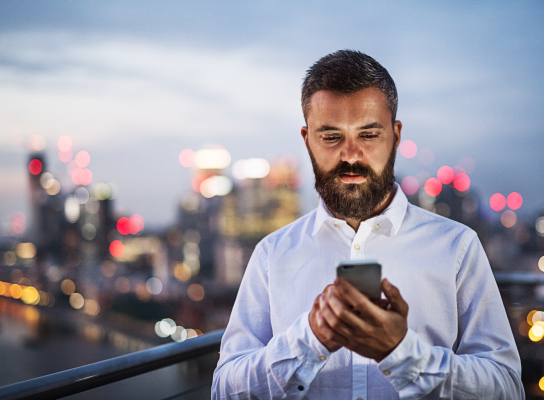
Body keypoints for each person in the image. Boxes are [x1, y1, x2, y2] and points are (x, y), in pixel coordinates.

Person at [212, 50, 525, 399]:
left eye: (369, 135)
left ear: (395, 135)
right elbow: (224, 390)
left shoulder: (457, 248)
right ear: (307, 140)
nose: (350, 154)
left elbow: (508, 389)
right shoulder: (272, 254)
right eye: (331, 137)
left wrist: (403, 353)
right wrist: (308, 339)